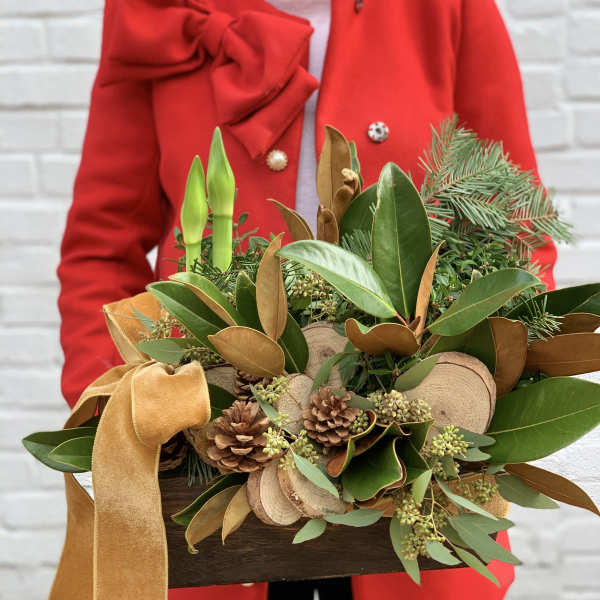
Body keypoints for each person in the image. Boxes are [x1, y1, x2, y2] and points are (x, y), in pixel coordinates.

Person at [57, 1, 556, 599]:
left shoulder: (449, 9)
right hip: (210, 463)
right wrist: (121, 409)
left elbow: (516, 232)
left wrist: (478, 396)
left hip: (408, 470)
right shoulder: (160, 12)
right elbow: (101, 248)